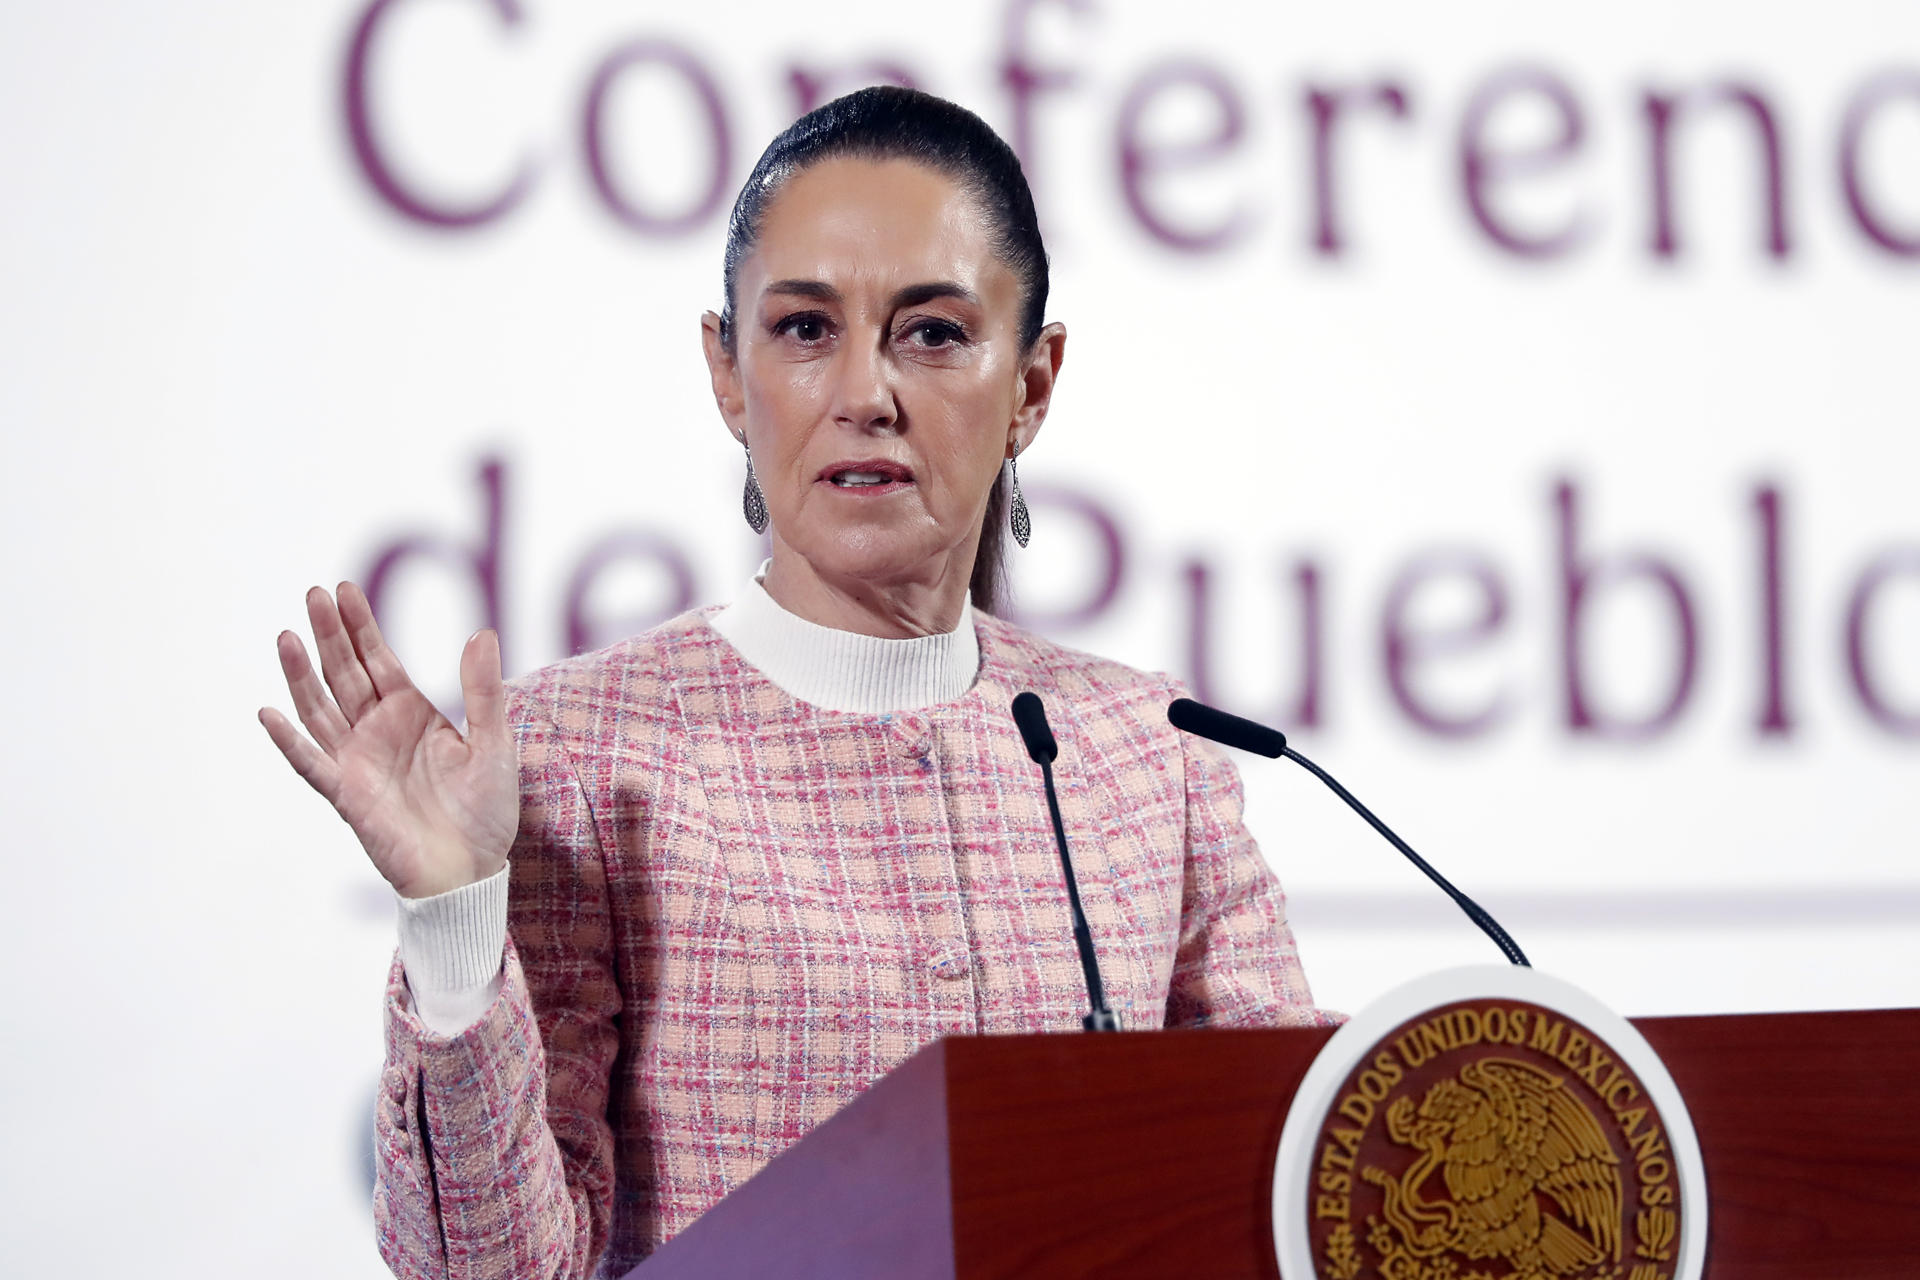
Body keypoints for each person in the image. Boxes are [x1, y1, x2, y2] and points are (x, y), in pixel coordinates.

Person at [260, 86, 1335, 1280]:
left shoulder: (1149, 750)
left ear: (1032, 385)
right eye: (805, 329)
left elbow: (1294, 1183)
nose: (865, 392)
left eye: (931, 332)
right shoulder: (584, 753)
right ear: (728, 373)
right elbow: (499, 1271)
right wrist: (456, 914)